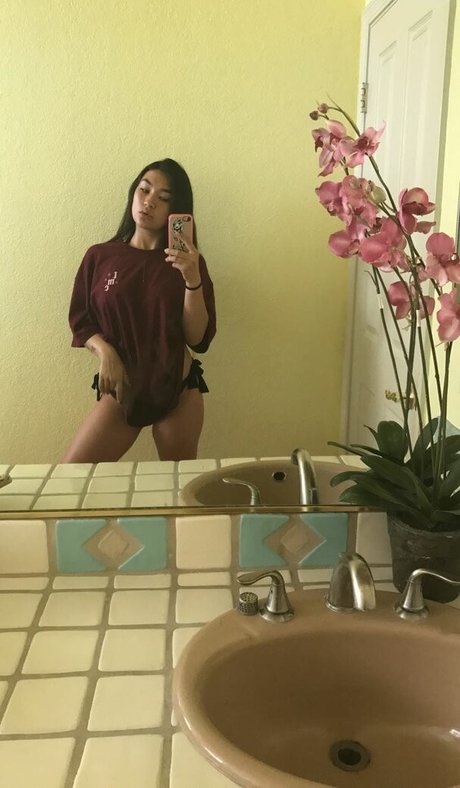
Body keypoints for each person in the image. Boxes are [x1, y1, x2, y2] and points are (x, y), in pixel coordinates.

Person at [62, 158, 216, 463]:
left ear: (176, 209)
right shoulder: (100, 256)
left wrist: (192, 279)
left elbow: (197, 338)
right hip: (123, 388)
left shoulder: (187, 262)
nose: (149, 202)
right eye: (144, 190)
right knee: (73, 476)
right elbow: (81, 320)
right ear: (133, 192)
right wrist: (105, 352)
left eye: (164, 198)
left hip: (178, 389)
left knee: (178, 486)